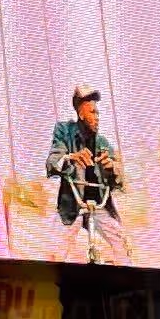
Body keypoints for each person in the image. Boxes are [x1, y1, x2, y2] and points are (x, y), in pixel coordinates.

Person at [46, 84, 123, 256]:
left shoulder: (102, 142)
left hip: (100, 205)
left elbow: (119, 179)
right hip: (72, 207)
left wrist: (112, 168)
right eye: (92, 112)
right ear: (81, 114)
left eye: (98, 113)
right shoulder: (64, 132)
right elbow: (52, 163)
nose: (97, 117)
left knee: (123, 246)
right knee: (53, 255)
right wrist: (70, 158)